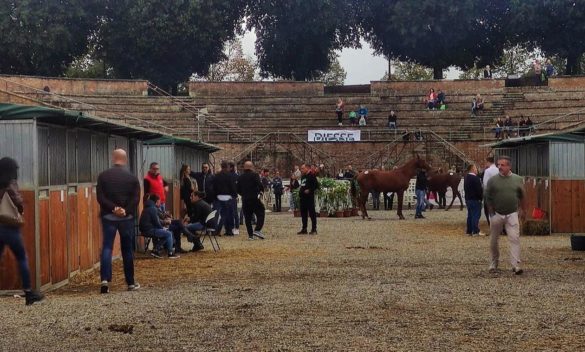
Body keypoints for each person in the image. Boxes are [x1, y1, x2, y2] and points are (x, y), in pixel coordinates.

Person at [0, 157, 45, 305]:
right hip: (10, 227)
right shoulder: (10, 183)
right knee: (21, 258)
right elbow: (18, 201)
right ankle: (29, 293)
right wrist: (20, 210)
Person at [96, 149, 141, 293]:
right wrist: (125, 211)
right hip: (126, 219)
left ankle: (104, 280)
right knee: (127, 249)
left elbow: (100, 198)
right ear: (125, 159)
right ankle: (130, 282)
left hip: (109, 217)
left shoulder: (103, 176)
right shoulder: (132, 178)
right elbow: (135, 199)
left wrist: (113, 208)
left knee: (107, 247)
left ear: (113, 158)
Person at [484, 156, 526, 275]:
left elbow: (522, 195)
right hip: (497, 213)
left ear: (509, 166)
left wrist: (523, 209)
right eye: (498, 165)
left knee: (514, 238)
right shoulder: (493, 180)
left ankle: (515, 265)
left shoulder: (517, 179)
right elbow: (488, 196)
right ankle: (493, 263)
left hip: (512, 213)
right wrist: (491, 211)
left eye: (502, 165)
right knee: (493, 240)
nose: (499, 167)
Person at [139, 194, 179, 259]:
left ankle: (156, 250)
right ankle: (170, 253)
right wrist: (163, 228)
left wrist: (162, 227)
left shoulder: (148, 206)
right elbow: (156, 222)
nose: (160, 203)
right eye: (159, 201)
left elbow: (155, 220)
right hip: (148, 230)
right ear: (157, 201)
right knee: (168, 234)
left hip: (145, 228)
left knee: (166, 233)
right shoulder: (153, 208)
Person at [237, 161, 266, 240]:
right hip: (254, 198)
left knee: (247, 218)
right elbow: (259, 184)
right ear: (251, 167)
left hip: (245, 199)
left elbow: (237, 189)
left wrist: (243, 194)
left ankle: (250, 235)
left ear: (244, 167)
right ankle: (257, 230)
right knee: (261, 213)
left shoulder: (240, 177)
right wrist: (261, 191)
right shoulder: (255, 175)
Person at [213, 161, 237, 236]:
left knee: (219, 214)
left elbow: (214, 187)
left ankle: (220, 229)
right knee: (227, 215)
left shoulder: (217, 175)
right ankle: (226, 230)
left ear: (221, 166)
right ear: (227, 167)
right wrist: (234, 195)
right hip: (227, 196)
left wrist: (215, 195)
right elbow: (232, 186)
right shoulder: (230, 176)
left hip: (218, 196)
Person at [297, 164, 319, 235]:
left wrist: (310, 190)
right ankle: (304, 228)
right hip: (302, 198)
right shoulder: (303, 176)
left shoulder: (312, 176)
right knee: (303, 214)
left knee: (312, 214)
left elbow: (316, 186)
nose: (301, 170)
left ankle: (314, 229)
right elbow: (303, 185)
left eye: (303, 168)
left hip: (309, 198)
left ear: (307, 168)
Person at [464, 164, 484, 236]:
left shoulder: (466, 177)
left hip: (468, 199)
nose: (477, 170)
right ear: (472, 169)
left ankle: (469, 231)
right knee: (476, 215)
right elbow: (479, 190)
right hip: (475, 199)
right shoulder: (475, 178)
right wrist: (480, 198)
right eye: (475, 168)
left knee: (470, 215)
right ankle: (475, 231)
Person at [482, 156, 499, 226]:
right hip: (498, 192)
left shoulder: (488, 171)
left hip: (490, 192)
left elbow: (485, 183)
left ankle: (491, 224)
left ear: (488, 162)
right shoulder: (498, 169)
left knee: (488, 209)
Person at [228, 162, 241, 235]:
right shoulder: (236, 176)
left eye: (229, 167)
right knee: (233, 213)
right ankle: (235, 228)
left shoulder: (233, 176)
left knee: (233, 213)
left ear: (231, 168)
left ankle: (234, 227)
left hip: (231, 196)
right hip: (233, 196)